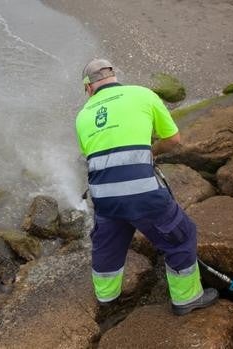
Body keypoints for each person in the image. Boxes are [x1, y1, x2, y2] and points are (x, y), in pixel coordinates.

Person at [75, 58, 218, 315]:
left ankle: (106, 297)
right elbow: (173, 140)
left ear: (88, 88)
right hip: (142, 194)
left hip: (104, 198)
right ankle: (186, 298)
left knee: (108, 242)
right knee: (181, 236)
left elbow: (94, 155)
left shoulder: (83, 116)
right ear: (114, 76)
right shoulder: (143, 94)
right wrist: (152, 151)